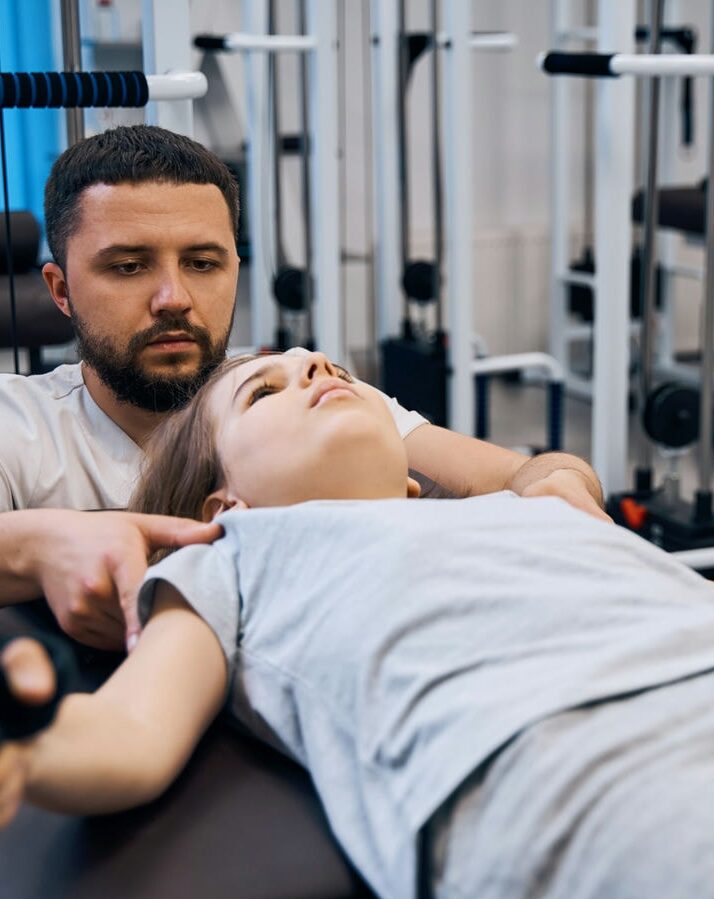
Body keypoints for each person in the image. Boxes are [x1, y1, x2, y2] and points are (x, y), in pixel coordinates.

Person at [6, 347, 714, 899]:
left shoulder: (534, 519)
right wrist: (28, 740)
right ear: (225, 502)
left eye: (324, 364)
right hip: (588, 763)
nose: (313, 367)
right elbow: (132, 735)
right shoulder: (231, 560)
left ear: (411, 483)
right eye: (264, 391)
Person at [0, 124, 606, 654]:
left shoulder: (299, 391)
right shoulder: (19, 424)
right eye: (129, 267)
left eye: (203, 263)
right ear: (61, 290)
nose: (174, 299)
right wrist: (39, 544)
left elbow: (523, 472)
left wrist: (559, 483)